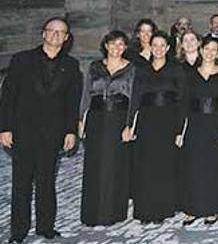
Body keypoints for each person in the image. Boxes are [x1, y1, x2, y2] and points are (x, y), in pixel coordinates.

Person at [0, 17, 81, 243]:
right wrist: (4, 127)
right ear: (43, 34)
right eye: (51, 31)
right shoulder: (21, 60)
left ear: (66, 39)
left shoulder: (72, 65)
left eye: (61, 32)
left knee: (46, 182)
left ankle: (46, 227)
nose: (55, 35)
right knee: (21, 183)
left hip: (53, 133)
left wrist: (70, 130)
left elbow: (72, 101)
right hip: (23, 131)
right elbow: (7, 96)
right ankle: (18, 231)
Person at [128, 31, 187, 224]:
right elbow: (135, 99)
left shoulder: (176, 69)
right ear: (150, 48)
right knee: (145, 166)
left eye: (163, 45)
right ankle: (146, 210)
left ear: (168, 48)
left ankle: (163, 208)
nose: (159, 49)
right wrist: (130, 125)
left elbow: (183, 101)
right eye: (155, 45)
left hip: (168, 121)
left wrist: (180, 130)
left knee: (165, 166)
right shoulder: (142, 70)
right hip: (146, 122)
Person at [80, 30, 136, 227]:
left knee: (114, 165)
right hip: (96, 119)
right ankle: (92, 213)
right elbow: (86, 94)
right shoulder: (95, 67)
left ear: (126, 47)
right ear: (106, 45)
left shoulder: (131, 69)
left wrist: (129, 125)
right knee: (94, 164)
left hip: (118, 119)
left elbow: (133, 100)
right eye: (113, 44)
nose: (116, 48)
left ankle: (112, 213)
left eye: (121, 44)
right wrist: (81, 120)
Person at [180, 37, 218, 225]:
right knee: (193, 166)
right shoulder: (190, 75)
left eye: (214, 50)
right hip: (195, 124)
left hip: (217, 124)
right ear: (201, 50)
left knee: (214, 167)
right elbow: (183, 104)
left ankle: (212, 208)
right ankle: (192, 208)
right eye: (207, 49)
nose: (210, 52)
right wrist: (180, 131)